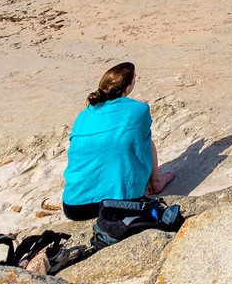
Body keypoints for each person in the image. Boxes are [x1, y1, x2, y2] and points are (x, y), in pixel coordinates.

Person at [61, 62, 172, 223]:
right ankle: (156, 182)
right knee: (144, 139)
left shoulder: (83, 115)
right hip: (118, 203)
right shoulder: (139, 108)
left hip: (74, 207)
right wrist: (138, 106)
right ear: (127, 87)